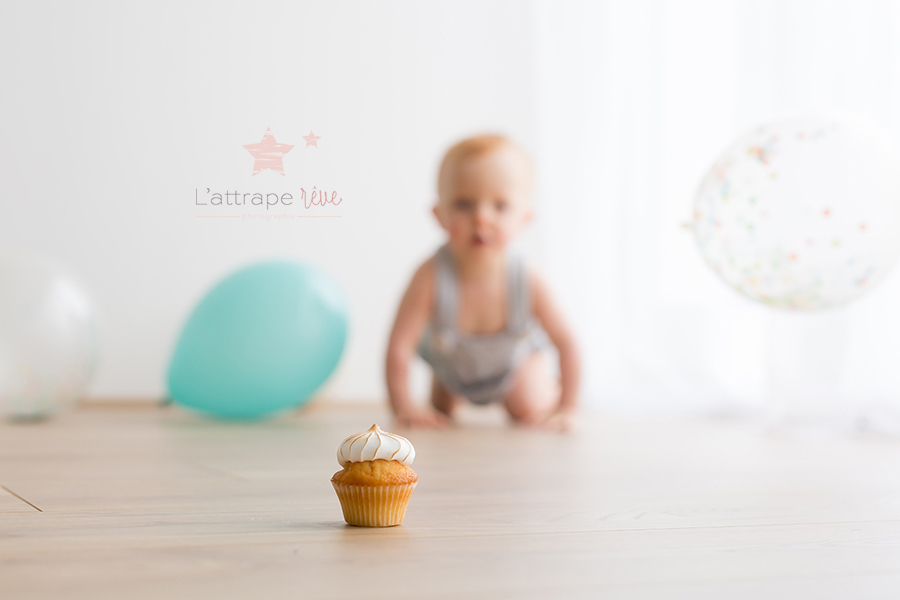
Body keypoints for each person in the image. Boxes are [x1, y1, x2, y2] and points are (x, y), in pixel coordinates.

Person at [385, 134, 581, 431]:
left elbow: (568, 344)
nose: (481, 218)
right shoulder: (430, 275)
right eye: (464, 204)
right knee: (439, 412)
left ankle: (546, 386)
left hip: (511, 367)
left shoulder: (526, 278)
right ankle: (447, 389)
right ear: (439, 214)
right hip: (453, 367)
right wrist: (404, 407)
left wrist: (567, 407)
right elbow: (400, 345)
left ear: (524, 218)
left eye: (500, 206)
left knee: (529, 409)